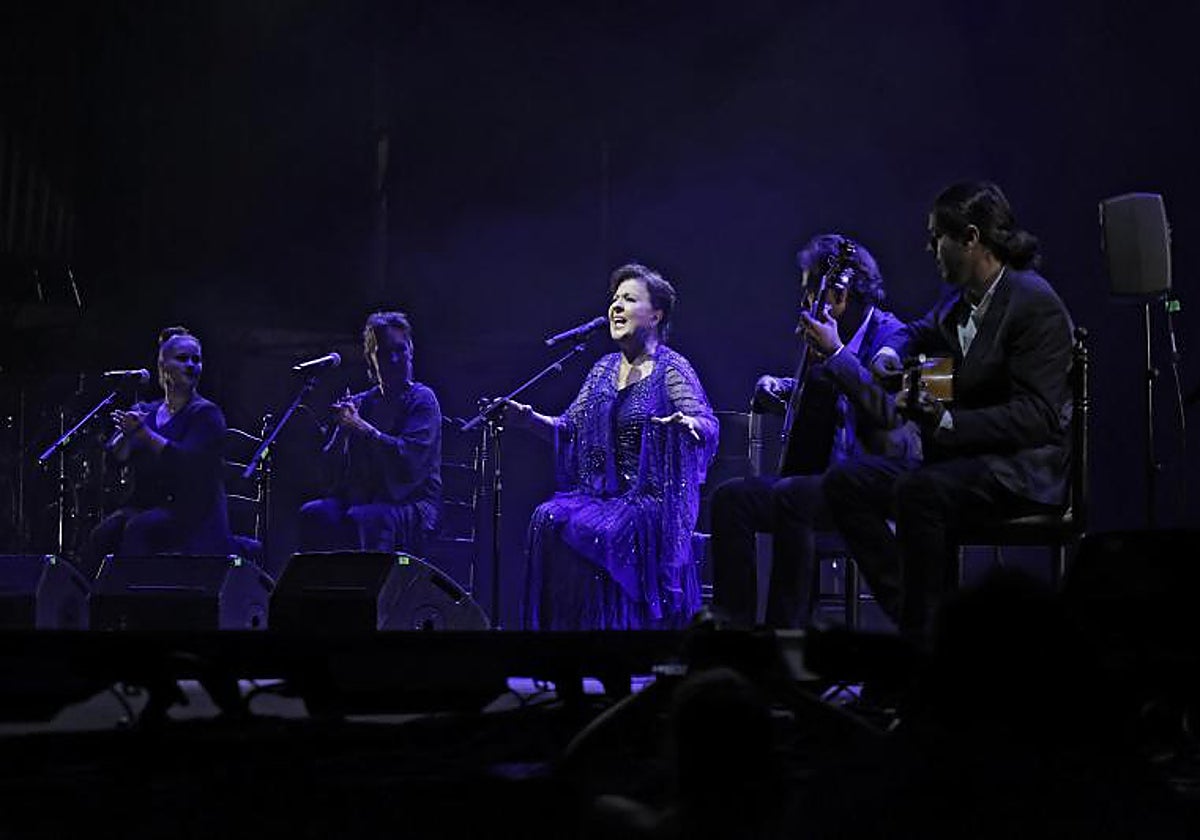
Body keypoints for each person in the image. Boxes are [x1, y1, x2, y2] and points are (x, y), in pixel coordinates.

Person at [823, 181, 1074, 641]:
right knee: (847, 483)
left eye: (937, 236)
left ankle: (925, 638)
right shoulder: (959, 302)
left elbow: (1038, 415)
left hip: (1019, 471)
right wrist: (889, 354)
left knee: (919, 493)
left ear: (971, 238)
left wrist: (949, 421)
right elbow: (915, 332)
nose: (930, 248)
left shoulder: (1034, 303)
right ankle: (928, 623)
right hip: (961, 462)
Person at [709, 235, 917, 628]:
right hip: (819, 480)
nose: (806, 303)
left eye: (811, 292)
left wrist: (836, 353)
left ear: (840, 294)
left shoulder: (893, 337)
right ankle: (734, 631)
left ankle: (785, 634)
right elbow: (828, 400)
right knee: (731, 499)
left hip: (868, 488)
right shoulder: (831, 336)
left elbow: (884, 407)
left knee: (793, 495)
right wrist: (784, 388)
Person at [507, 263, 718, 630]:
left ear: (656, 315)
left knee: (604, 532)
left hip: (650, 503)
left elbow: (707, 422)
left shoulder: (670, 369)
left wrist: (689, 424)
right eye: (615, 299)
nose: (616, 306)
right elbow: (569, 428)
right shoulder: (603, 369)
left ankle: (614, 633)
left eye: (630, 299)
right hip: (601, 496)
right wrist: (530, 420)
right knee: (546, 518)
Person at [78, 326, 231, 577]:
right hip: (149, 506)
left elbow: (188, 464)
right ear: (163, 366)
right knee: (104, 532)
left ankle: (131, 596)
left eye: (196, 359)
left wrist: (144, 435)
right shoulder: (147, 411)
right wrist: (125, 438)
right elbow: (117, 459)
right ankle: (89, 597)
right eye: (182, 359)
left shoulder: (206, 414)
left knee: (140, 528)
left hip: (193, 513)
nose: (191, 365)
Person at [298, 311, 442, 554]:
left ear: (411, 350)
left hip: (414, 502)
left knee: (365, 518)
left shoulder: (422, 399)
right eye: (384, 353)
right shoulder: (361, 402)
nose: (394, 359)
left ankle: (371, 580)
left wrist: (361, 428)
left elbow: (409, 462)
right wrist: (341, 432)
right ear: (371, 359)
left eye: (400, 350)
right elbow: (326, 473)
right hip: (366, 498)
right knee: (314, 513)